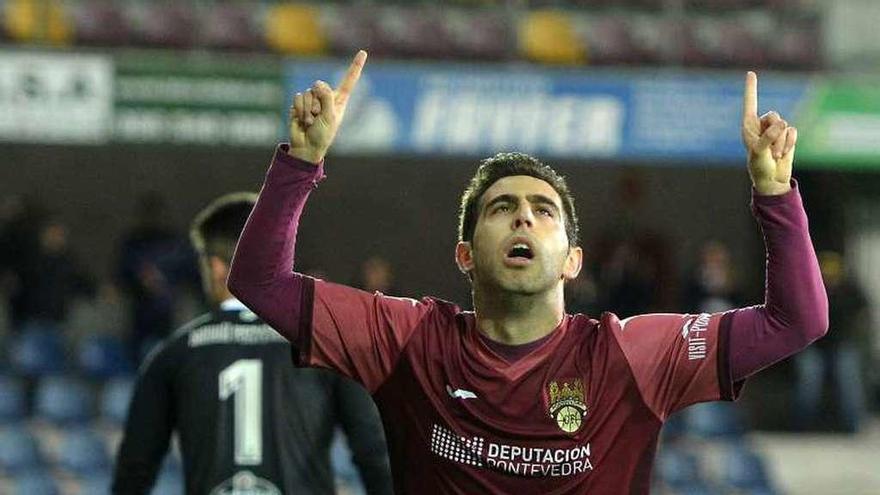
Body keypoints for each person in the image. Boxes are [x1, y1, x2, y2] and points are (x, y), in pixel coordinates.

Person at [228, 51, 828, 493]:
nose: (523, 219)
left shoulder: (632, 355)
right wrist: (301, 163)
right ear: (465, 254)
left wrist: (775, 195)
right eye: (502, 209)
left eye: (543, 212)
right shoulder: (408, 339)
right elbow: (260, 284)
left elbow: (796, 320)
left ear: (572, 261)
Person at [112, 192, 393, 495]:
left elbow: (135, 468)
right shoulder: (326, 347)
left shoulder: (173, 354)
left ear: (216, 267)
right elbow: (375, 453)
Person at [794, 250, 870, 432]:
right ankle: (802, 426)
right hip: (813, 345)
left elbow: (863, 313)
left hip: (841, 344)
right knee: (809, 380)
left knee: (849, 380)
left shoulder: (850, 291)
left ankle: (853, 426)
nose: (830, 279)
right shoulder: (809, 290)